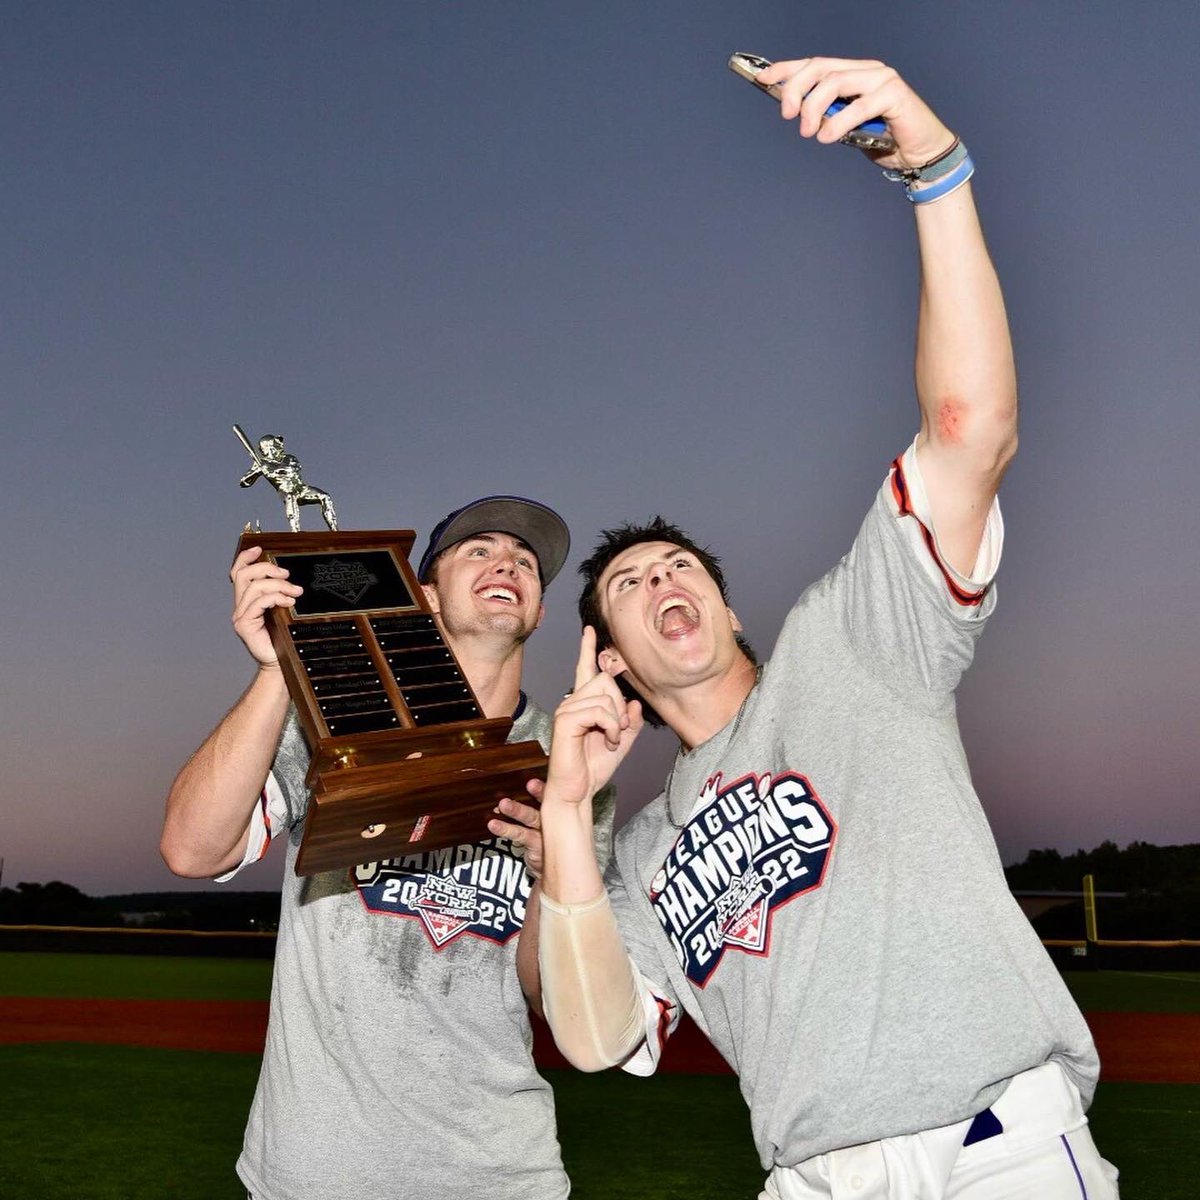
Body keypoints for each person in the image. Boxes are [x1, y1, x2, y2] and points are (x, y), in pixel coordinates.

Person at [532, 57, 1119, 1200]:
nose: (660, 583)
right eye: (628, 589)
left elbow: (969, 433)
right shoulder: (640, 854)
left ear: (727, 601)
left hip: (995, 1149)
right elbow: (596, 1040)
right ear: (614, 663)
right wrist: (566, 816)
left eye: (678, 565)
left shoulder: (851, 644)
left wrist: (936, 175)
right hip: (815, 1179)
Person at [160, 494, 614, 1200]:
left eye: (527, 562)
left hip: (498, 1174)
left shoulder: (574, 759)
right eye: (480, 551)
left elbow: (549, 992)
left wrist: (557, 872)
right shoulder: (338, 714)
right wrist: (279, 666)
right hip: (317, 1171)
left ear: (539, 611)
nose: (509, 564)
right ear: (424, 595)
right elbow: (193, 849)